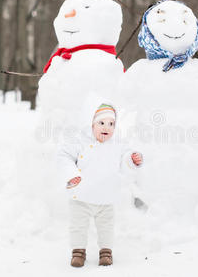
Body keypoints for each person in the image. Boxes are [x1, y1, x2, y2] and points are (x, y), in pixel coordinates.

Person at [58, 103, 143, 267]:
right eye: (101, 123)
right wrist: (72, 175)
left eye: (111, 124)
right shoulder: (80, 141)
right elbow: (64, 157)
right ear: (92, 124)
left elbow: (125, 158)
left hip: (106, 197)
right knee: (78, 226)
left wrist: (131, 160)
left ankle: (106, 251)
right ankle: (78, 251)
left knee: (106, 227)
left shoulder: (117, 143)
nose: (107, 128)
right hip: (81, 196)